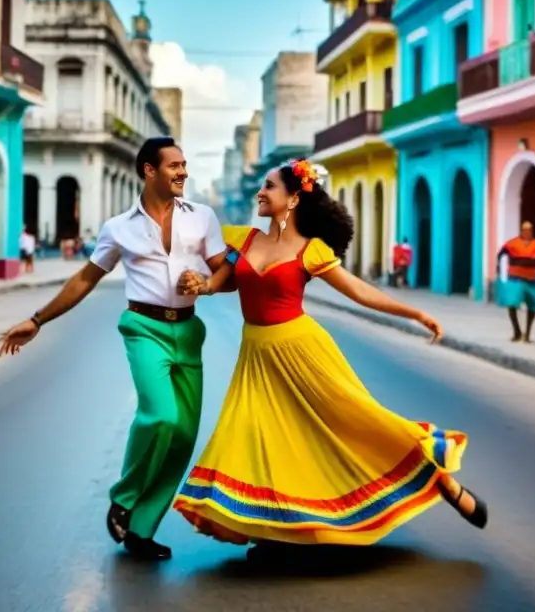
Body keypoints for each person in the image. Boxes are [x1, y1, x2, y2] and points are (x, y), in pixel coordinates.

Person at [171, 159, 487, 556]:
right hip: (257, 357)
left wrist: (416, 313)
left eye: (269, 186)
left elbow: (360, 292)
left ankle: (442, 482)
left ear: (293, 199)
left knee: (361, 424)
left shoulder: (311, 250)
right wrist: (198, 285)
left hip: (304, 353)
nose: (261, 193)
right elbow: (219, 283)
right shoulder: (243, 241)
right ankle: (276, 530)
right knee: (261, 439)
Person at [0, 137, 229, 562]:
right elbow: (85, 279)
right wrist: (37, 319)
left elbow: (224, 271)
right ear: (149, 170)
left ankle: (142, 530)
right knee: (160, 415)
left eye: (185, 164)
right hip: (144, 328)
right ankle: (124, 496)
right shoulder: (118, 228)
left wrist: (208, 285)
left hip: (189, 331)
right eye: (175, 165)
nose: (183, 172)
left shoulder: (202, 218)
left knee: (181, 437)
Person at [497, 221, 535, 343]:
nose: (527, 232)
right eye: (525, 229)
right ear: (521, 231)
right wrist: (500, 267)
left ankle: (528, 333)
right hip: (515, 278)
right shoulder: (513, 243)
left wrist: (520, 261)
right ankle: (517, 331)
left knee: (533, 305)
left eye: (530, 229)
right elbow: (502, 253)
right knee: (512, 303)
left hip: (532, 279)